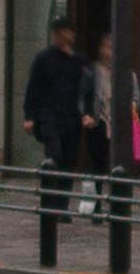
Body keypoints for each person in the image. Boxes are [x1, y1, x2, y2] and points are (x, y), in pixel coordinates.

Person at [22, 12, 102, 208]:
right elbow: (33, 88)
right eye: (56, 32)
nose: (58, 36)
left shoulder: (80, 61)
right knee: (54, 156)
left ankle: (62, 206)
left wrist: (89, 114)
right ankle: (50, 201)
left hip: (72, 117)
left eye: (62, 31)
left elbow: (89, 89)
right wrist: (29, 116)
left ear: (70, 34)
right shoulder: (43, 58)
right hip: (48, 115)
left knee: (68, 161)